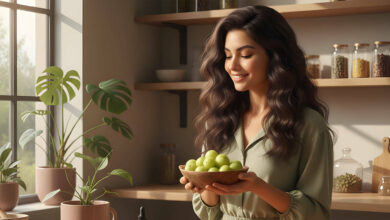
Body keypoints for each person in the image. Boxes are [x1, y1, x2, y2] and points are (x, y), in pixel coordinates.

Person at [179, 5, 334, 220]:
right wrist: (206, 184)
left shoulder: (309, 125)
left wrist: (258, 187)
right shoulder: (220, 119)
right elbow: (208, 213)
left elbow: (316, 213)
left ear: (275, 57)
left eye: (246, 55)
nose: (232, 65)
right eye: (227, 55)